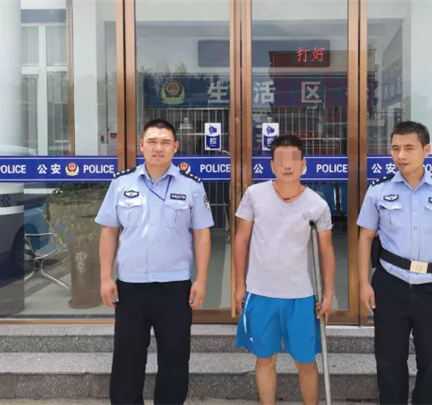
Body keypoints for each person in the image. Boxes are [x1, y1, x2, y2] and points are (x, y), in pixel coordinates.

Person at [95, 118, 214, 405]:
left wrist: (201, 279)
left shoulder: (192, 186)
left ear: (175, 147)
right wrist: (105, 277)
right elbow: (109, 231)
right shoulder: (121, 183)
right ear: (141, 145)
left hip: (175, 287)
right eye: (152, 141)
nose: (158, 147)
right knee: (127, 357)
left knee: (175, 358)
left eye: (164, 142)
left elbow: (202, 234)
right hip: (130, 286)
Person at [357, 121, 432, 405]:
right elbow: (365, 236)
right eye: (395, 148)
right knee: (388, 361)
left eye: (409, 148)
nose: (401, 155)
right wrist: (363, 282)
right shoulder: (378, 189)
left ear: (426, 150)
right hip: (390, 284)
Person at [234, 134, 336, 405]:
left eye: (293, 160)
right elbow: (241, 239)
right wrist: (239, 285)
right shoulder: (254, 195)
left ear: (304, 164)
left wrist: (328, 294)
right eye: (280, 160)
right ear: (272, 165)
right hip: (261, 292)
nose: (287, 166)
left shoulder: (317, 204)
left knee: (305, 361)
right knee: (264, 358)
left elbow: (326, 252)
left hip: (301, 295)